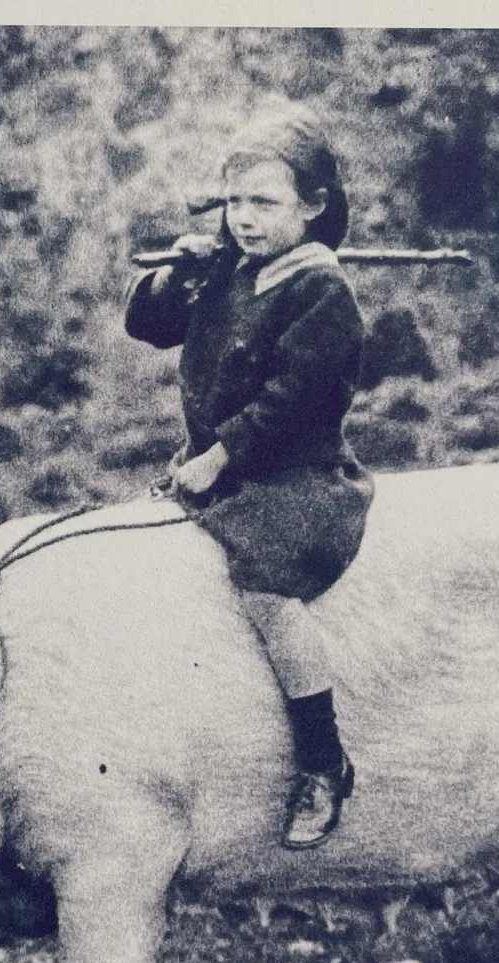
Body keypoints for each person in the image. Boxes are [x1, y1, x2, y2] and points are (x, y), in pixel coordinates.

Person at [124, 105, 374, 849]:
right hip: (220, 474)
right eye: (234, 203)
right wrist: (180, 271)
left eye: (265, 203)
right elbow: (150, 327)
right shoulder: (231, 270)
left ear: (314, 206)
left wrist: (216, 458)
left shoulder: (320, 294)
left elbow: (287, 404)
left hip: (293, 479)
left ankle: (324, 763)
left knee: (266, 594)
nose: (245, 219)